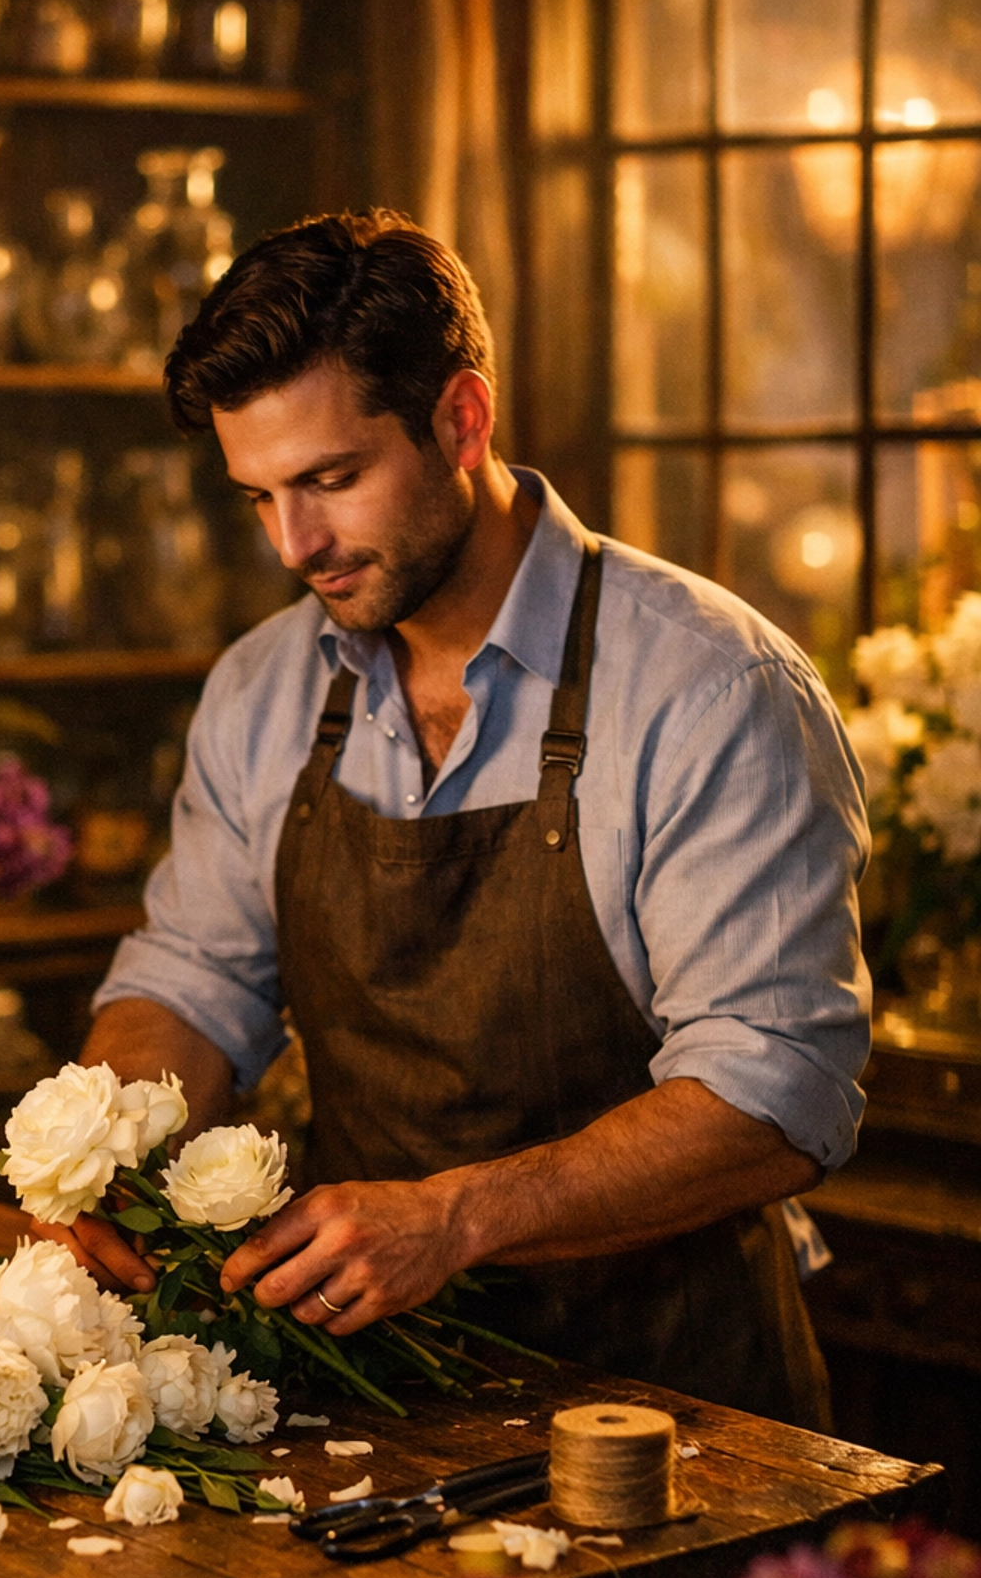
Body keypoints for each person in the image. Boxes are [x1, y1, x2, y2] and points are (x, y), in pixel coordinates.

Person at [43, 208, 870, 1428]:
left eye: (331, 479)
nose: (296, 544)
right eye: (259, 496)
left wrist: (456, 1217)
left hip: (678, 1413)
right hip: (372, 1395)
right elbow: (194, 979)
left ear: (460, 419)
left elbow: (780, 1091)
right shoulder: (266, 689)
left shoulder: (711, 689)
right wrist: (107, 1148)